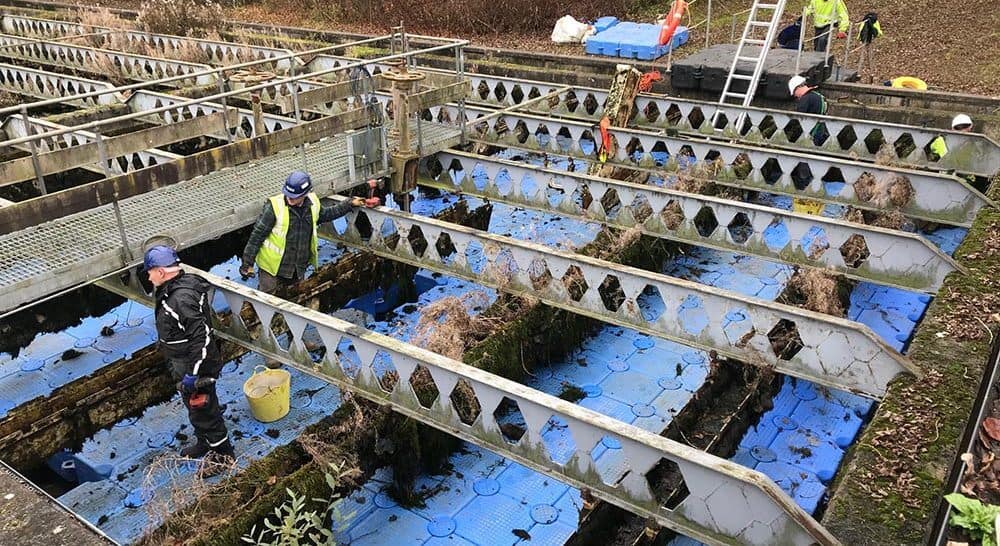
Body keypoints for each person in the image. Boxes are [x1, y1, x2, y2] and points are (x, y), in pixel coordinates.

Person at [144, 245, 233, 466]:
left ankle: (223, 456)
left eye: (150, 271)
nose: (147, 276)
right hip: (181, 360)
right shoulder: (174, 288)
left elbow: (200, 337)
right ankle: (204, 442)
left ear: (161, 272)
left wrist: (194, 374)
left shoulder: (180, 299)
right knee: (195, 408)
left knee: (205, 411)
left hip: (193, 364)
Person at [241, 170, 367, 293]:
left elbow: (328, 214)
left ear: (305, 194)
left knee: (295, 301)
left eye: (294, 197)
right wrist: (248, 263)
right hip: (272, 268)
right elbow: (257, 235)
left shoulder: (313, 205)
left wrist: (349, 203)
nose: (290, 198)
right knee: (268, 303)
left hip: (297, 267)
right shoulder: (274, 207)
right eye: (288, 195)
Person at [788, 75, 829, 145]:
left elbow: (798, 117)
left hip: (811, 133)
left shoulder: (805, 99)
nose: (795, 96)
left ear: (798, 87)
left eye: (794, 93)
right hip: (821, 131)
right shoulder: (819, 96)